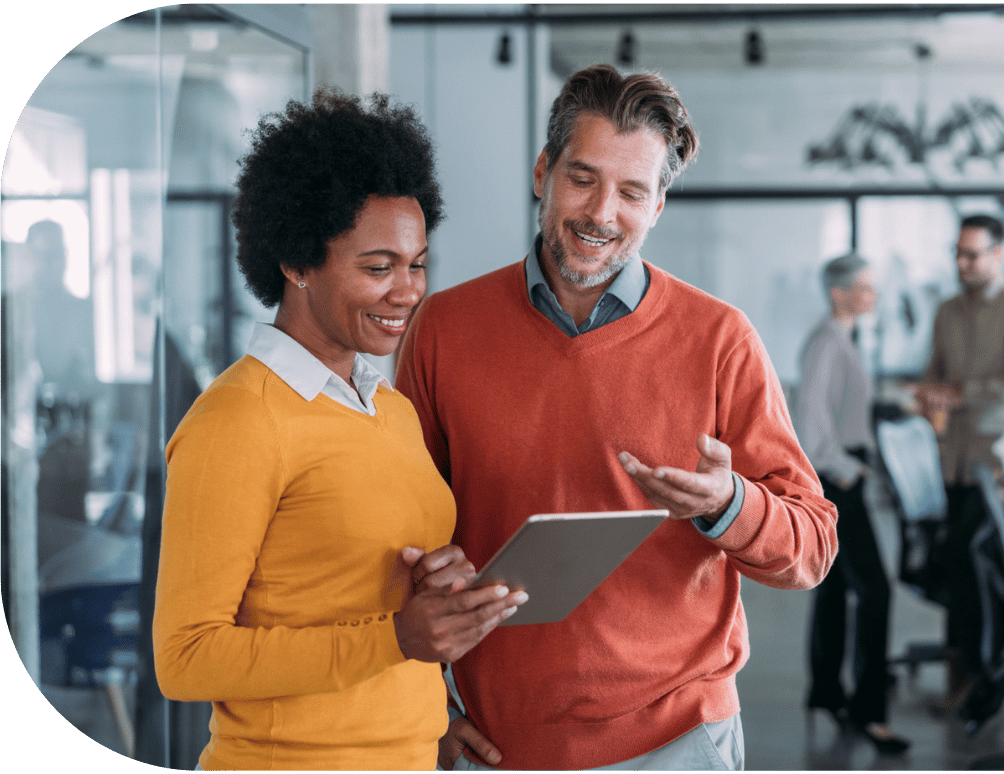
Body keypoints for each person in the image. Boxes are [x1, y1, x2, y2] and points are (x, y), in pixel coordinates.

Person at [395, 64, 838, 771]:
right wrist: (427, 713)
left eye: (632, 191)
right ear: (543, 171)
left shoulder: (721, 340)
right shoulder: (443, 329)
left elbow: (812, 548)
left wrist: (730, 504)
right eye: (582, 177)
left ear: (657, 207)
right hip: (499, 742)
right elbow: (396, 543)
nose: (602, 213)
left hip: (679, 739)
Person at [152, 88, 527, 771]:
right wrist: (394, 638)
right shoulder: (238, 421)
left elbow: (361, 595)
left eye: (416, 265)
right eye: (377, 267)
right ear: (296, 263)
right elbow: (185, 659)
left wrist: (434, 676)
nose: (407, 292)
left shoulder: (391, 410)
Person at [794, 254, 909, 754]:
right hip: (839, 481)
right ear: (839, 292)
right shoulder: (826, 344)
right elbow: (810, 426)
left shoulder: (841, 339)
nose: (873, 295)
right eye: (864, 286)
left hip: (843, 475)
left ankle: (825, 690)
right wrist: (849, 468)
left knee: (836, 587)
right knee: (877, 591)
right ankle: (869, 713)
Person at [917, 213, 1004, 707]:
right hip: (950, 461)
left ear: (998, 254)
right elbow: (934, 374)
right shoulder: (947, 310)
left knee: (982, 567)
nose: (962, 263)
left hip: (995, 464)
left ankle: (984, 673)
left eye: (972, 255)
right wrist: (927, 395)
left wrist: (960, 392)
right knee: (954, 565)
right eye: (958, 253)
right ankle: (962, 673)